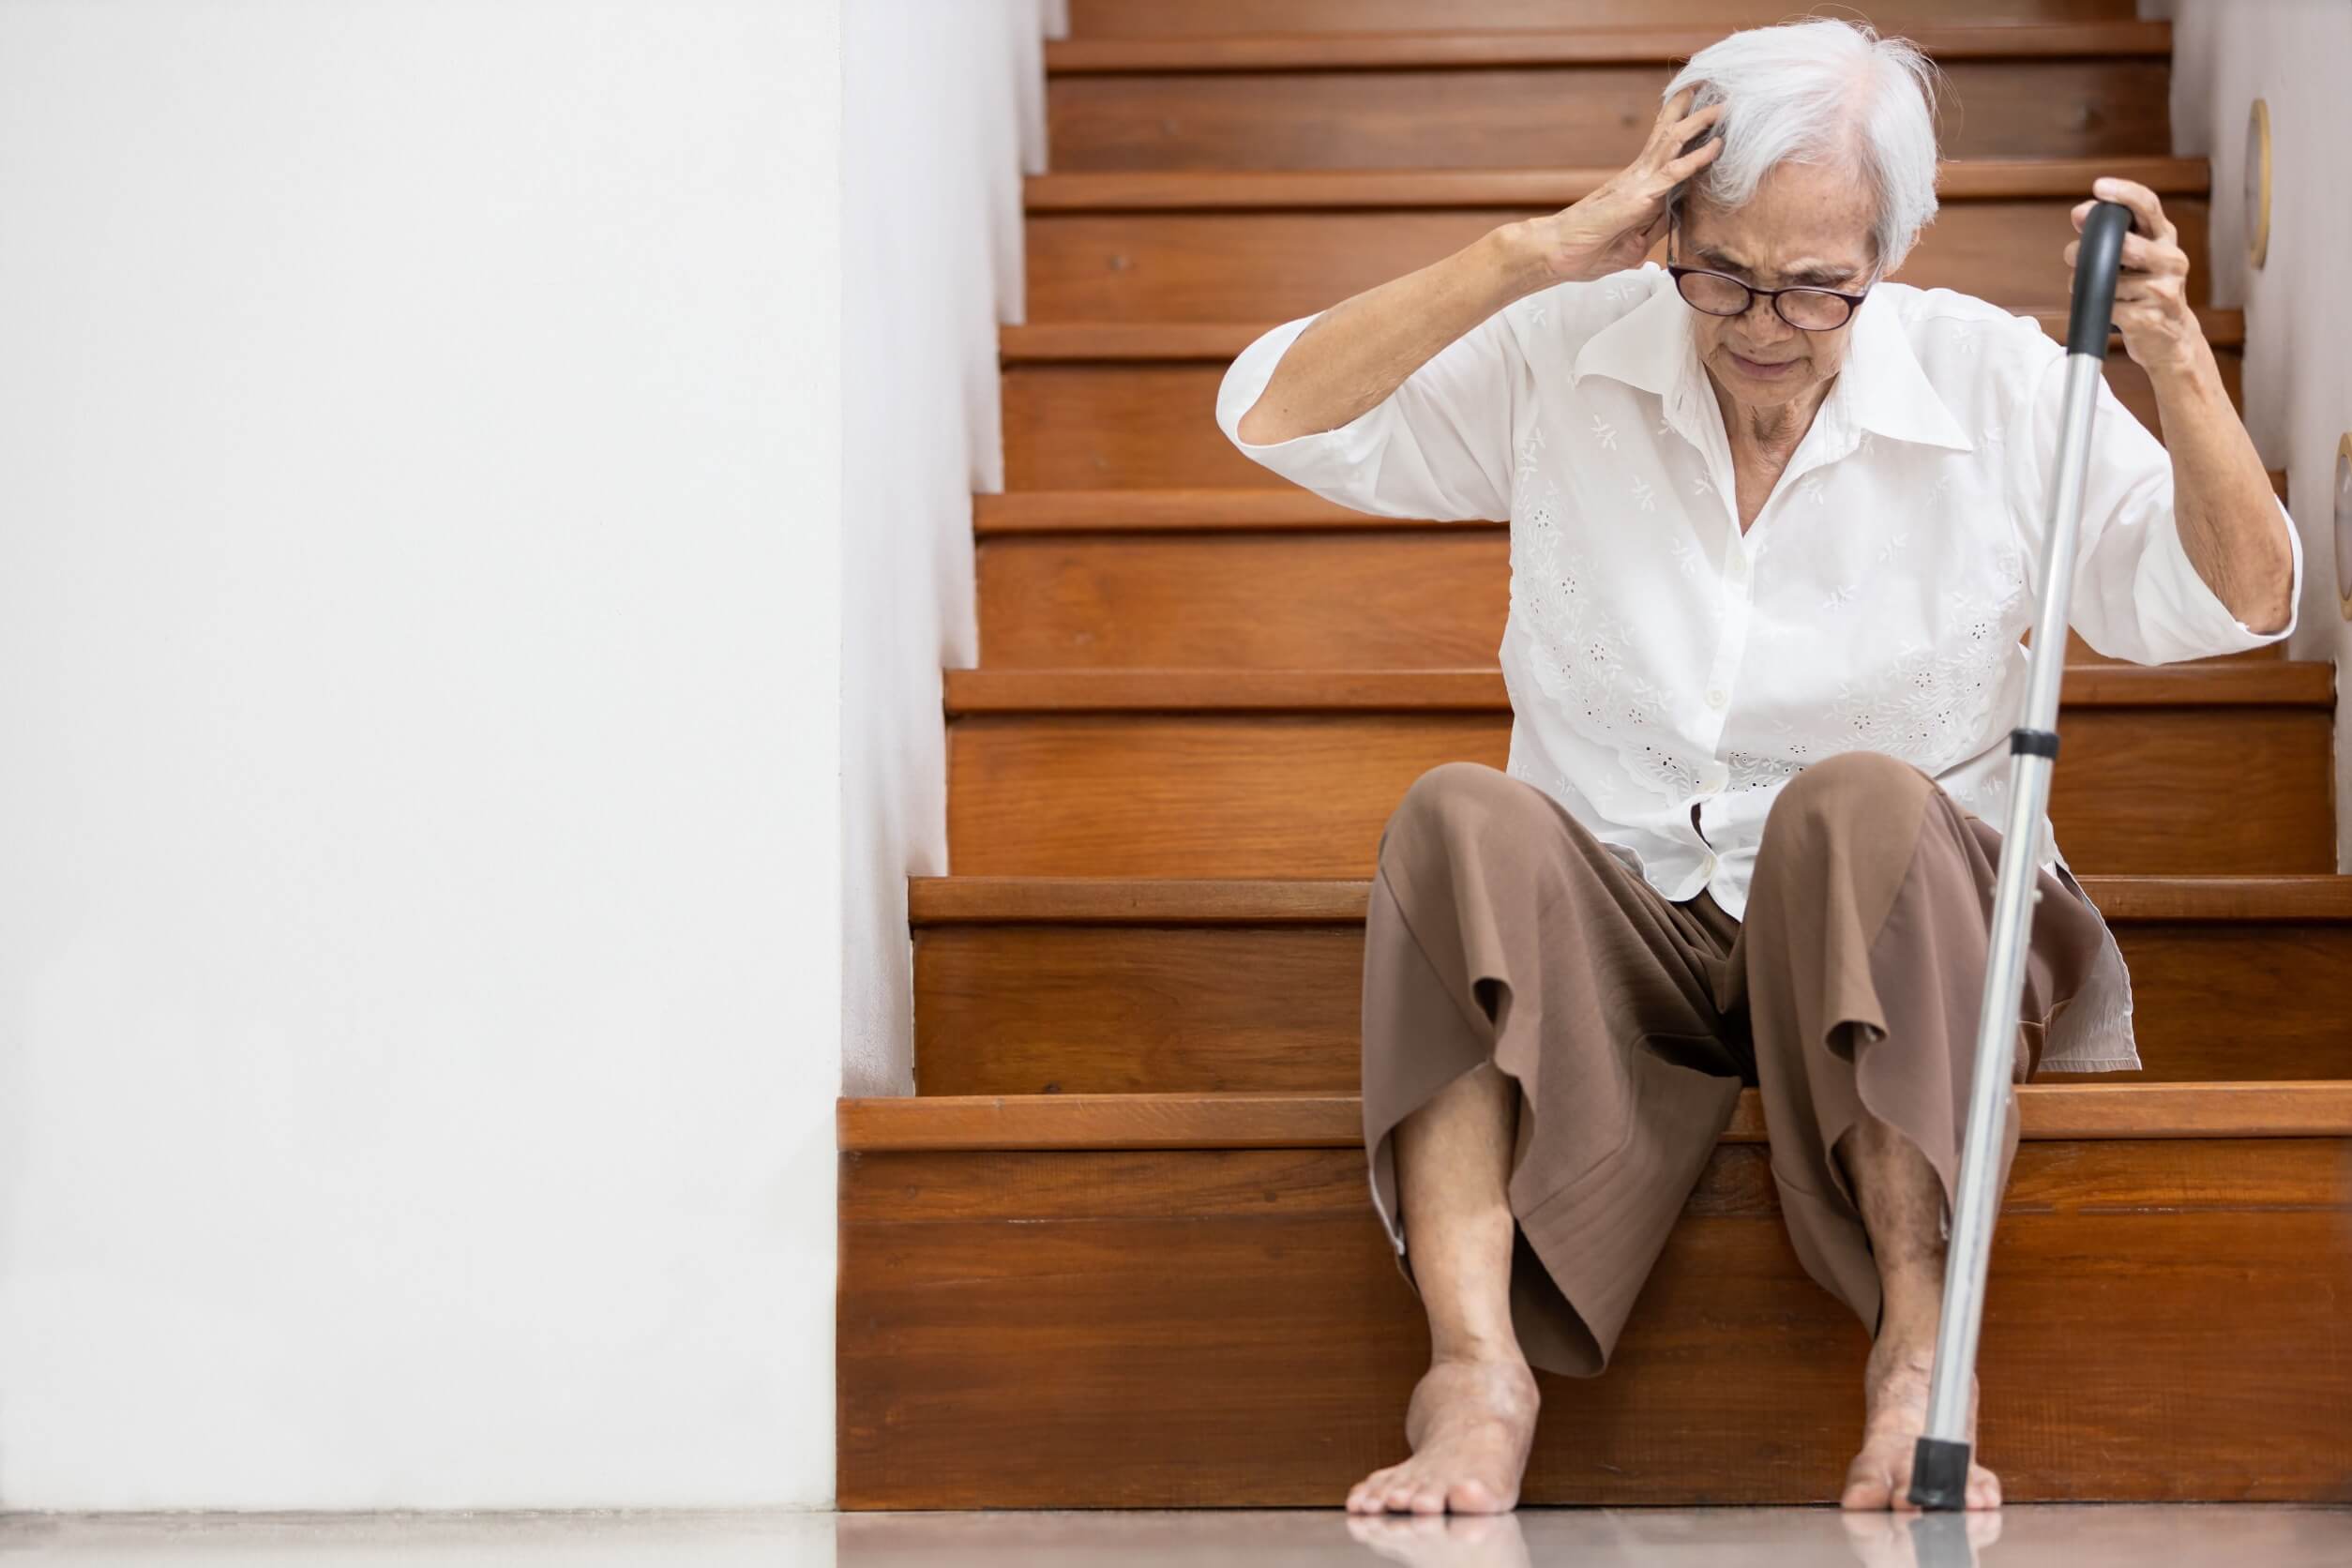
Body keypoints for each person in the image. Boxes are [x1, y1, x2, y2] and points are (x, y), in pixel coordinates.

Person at [1213, 17, 2302, 1516]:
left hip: (1892, 924)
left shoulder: (1992, 387)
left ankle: (1921, 1364)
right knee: (1455, 815)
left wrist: (2177, 368)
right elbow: (1274, 413)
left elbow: (2241, 603)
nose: (1763, 319)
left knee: (1852, 800)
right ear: (1667, 220)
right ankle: (1474, 1372)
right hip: (1626, 923)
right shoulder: (1570, 353)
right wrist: (1534, 253)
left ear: (1892, 248)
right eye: (1721, 272)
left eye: (1817, 284)